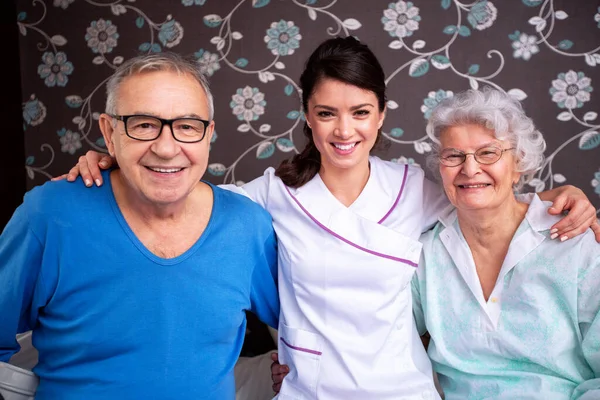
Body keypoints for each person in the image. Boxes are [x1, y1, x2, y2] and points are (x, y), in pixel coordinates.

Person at [58, 38, 599, 399]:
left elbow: (484, 191)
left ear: (381, 116)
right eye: (326, 113)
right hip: (309, 389)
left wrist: (565, 197)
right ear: (307, 118)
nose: (345, 131)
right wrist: (113, 162)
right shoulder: (268, 196)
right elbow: (176, 184)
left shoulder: (415, 188)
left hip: (402, 389)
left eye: (360, 112)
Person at [272, 88, 600, 399]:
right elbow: (373, 330)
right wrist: (307, 365)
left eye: (488, 153)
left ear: (519, 165)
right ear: (440, 169)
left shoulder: (574, 243)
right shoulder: (425, 252)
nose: (470, 169)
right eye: (454, 155)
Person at [0, 52, 279, 399]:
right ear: (109, 131)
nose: (165, 148)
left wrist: (300, 371)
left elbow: (312, 321)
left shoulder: (247, 226)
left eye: (187, 126)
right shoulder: (49, 216)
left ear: (208, 134)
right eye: (143, 124)